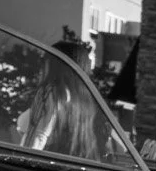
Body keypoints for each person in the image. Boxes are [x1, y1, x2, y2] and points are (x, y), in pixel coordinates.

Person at [14, 34, 113, 162]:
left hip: (45, 170)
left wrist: (18, 165)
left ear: (55, 64)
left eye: (46, 60)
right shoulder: (86, 101)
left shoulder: (53, 92)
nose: (42, 66)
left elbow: (36, 138)